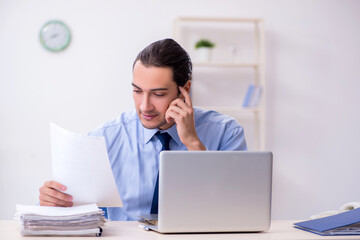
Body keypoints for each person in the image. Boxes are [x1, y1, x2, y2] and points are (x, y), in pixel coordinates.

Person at [39, 38, 247, 220]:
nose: (144, 106)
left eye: (158, 94)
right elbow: (75, 212)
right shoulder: (105, 138)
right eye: (137, 91)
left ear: (185, 90)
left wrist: (193, 143)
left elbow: (239, 208)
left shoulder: (226, 133)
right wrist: (54, 201)